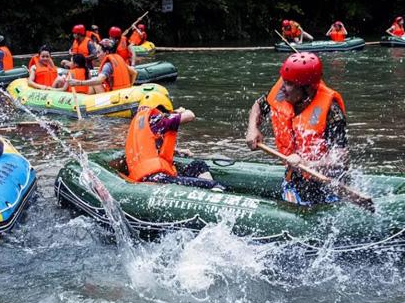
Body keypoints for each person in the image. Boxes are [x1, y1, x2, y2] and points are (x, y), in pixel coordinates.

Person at [246, 52, 348, 206]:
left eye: (290, 84)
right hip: (294, 176)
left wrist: (307, 164)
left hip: (324, 179)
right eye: (285, 81)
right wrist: (253, 129)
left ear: (307, 89)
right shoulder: (281, 93)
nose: (283, 88)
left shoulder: (331, 112)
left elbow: (341, 157)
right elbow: (258, 105)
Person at [125, 105, 224, 189]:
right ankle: (212, 192)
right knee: (214, 185)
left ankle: (205, 193)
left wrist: (177, 151)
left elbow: (152, 148)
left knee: (198, 165)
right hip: (156, 179)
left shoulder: (145, 125)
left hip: (152, 175)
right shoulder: (159, 121)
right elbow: (190, 115)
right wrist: (180, 111)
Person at [68, 39, 137, 94]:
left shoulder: (107, 65)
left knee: (95, 83)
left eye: (99, 52)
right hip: (125, 92)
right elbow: (134, 73)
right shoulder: (119, 60)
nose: (97, 56)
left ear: (106, 52)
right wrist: (130, 85)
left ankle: (86, 101)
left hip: (114, 96)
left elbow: (99, 80)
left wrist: (79, 83)